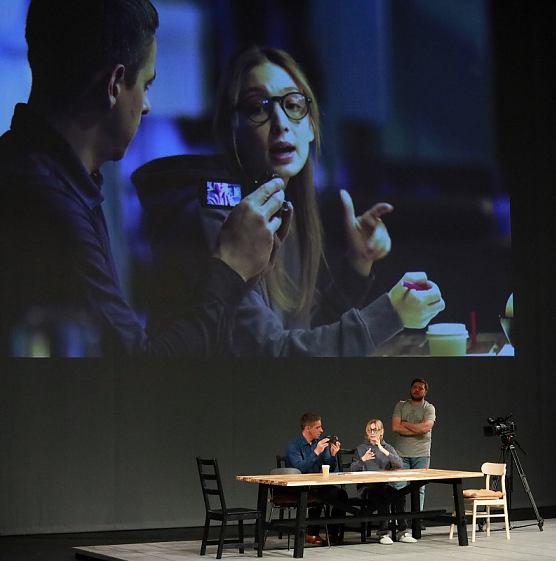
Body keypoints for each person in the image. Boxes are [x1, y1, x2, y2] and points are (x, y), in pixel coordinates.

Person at [0, 0, 286, 356]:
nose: (147, 105)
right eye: (146, 84)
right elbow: (141, 375)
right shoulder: (48, 201)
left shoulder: (29, 164)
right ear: (114, 85)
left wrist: (235, 278)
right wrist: (230, 268)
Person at [134, 45, 445, 356]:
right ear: (232, 131)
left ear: (311, 126)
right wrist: (390, 314)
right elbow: (275, 355)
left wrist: (357, 262)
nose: (281, 122)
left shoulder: (282, 209)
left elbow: (305, 336)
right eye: (258, 108)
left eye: (294, 105)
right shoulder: (223, 218)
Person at [348, 419, 417, 545]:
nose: (372, 433)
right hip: (367, 487)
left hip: (384, 485)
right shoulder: (361, 448)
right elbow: (351, 470)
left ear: (381, 432)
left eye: (375, 430)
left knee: (399, 496)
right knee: (382, 496)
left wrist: (382, 449)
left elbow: (399, 463)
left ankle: (402, 532)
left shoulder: (387, 447)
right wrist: (363, 459)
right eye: (370, 430)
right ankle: (383, 533)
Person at [284, 412, 348, 545]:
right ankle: (311, 533)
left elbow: (329, 468)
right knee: (316, 495)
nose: (321, 430)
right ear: (308, 428)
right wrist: (316, 452)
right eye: (318, 427)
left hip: (318, 484)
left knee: (341, 495)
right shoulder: (293, 445)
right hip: (299, 486)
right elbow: (299, 469)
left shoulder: (319, 443)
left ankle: (332, 533)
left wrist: (332, 455)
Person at [390, 378, 436, 526]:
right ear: (411, 389)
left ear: (425, 392)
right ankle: (399, 521)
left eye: (421, 388)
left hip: (421, 454)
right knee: (399, 486)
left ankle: (417, 520)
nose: (417, 390)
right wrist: (417, 429)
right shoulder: (401, 405)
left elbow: (425, 428)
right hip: (401, 454)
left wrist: (405, 424)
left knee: (419, 488)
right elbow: (395, 427)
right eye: (415, 387)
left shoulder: (429, 408)